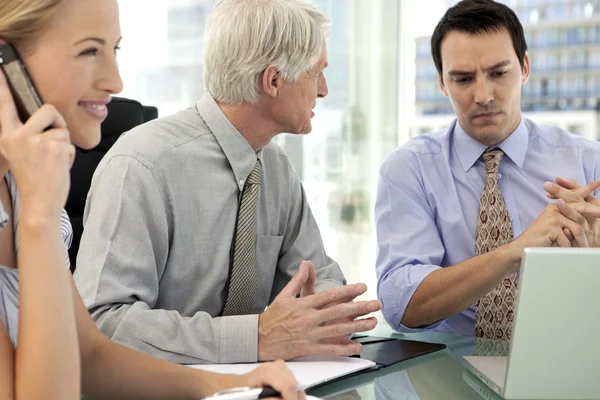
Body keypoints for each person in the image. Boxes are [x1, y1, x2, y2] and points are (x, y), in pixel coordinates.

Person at [0, 0, 304, 398]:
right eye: (89, 51)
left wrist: (230, 386)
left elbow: (88, 354)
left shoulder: (23, 182)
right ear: (6, 64)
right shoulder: (40, 194)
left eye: (115, 49)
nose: (115, 81)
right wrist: (39, 219)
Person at [73, 0, 382, 365]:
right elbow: (102, 323)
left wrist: (317, 316)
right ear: (273, 80)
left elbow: (320, 273)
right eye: (317, 74)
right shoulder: (142, 165)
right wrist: (253, 338)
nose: (324, 90)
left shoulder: (275, 168)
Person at [375, 0, 600, 346]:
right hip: (446, 376)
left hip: (563, 355)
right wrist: (517, 252)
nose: (483, 96)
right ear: (442, 83)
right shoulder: (409, 169)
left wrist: (593, 259)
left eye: (498, 73)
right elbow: (400, 305)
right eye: (463, 79)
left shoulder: (588, 161)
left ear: (524, 68)